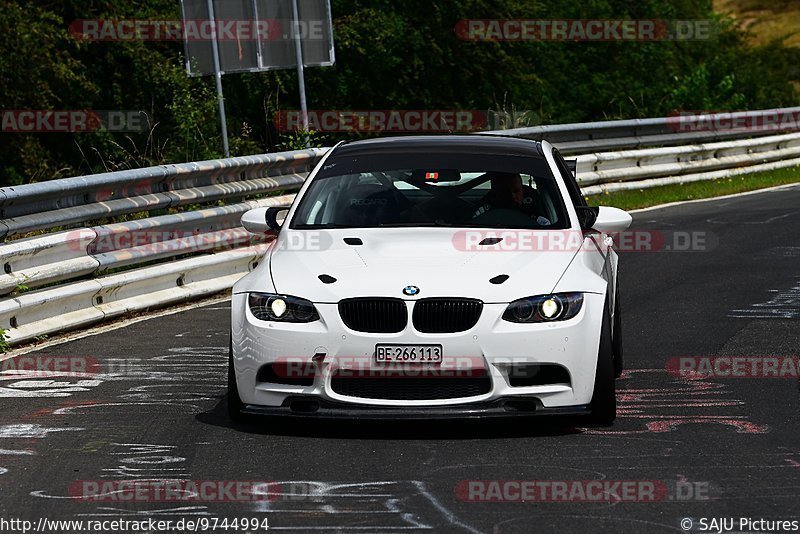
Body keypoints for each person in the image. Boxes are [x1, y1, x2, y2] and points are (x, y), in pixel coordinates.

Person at [472, 172, 552, 225]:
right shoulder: (483, 212)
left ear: (523, 191)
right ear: (496, 193)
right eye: (505, 192)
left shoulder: (537, 211)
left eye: (516, 191)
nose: (512, 196)